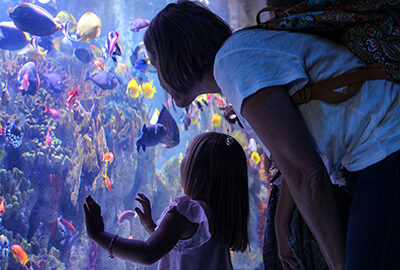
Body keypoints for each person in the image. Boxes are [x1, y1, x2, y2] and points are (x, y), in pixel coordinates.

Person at [142, 1, 400, 269]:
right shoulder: (236, 63)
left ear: (175, 55)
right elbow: (294, 154)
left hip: (385, 145)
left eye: (155, 62)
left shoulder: (233, 64)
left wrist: (339, 265)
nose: (159, 79)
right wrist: (281, 222)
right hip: (376, 152)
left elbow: (307, 173)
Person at [83, 132, 249, 269]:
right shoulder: (218, 217)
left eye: (188, 154)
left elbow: (147, 253)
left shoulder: (186, 211)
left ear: (199, 172)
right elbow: (183, 246)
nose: (183, 159)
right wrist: (152, 227)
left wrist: (99, 235)